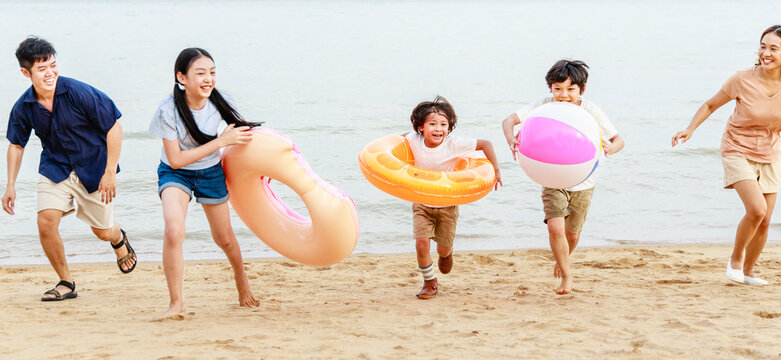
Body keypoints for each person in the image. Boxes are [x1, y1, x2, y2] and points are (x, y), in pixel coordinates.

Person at [2, 36, 136, 302]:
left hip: (93, 167)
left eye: (52, 65)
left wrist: (110, 172)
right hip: (55, 168)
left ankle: (118, 238)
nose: (50, 72)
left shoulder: (79, 92)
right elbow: (16, 145)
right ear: (26, 73)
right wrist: (10, 185)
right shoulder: (24, 106)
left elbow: (113, 127)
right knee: (45, 222)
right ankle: (66, 282)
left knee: (102, 231)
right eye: (42, 69)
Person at [149, 47, 262, 320]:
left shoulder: (221, 102)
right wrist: (221, 141)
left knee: (224, 239)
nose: (208, 79)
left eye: (212, 72)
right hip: (176, 174)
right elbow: (175, 160)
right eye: (200, 73)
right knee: (174, 231)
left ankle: (241, 279)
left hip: (210, 172)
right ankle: (176, 303)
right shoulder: (168, 110)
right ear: (182, 77)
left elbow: (247, 136)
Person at [501, 59, 625, 295]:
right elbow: (508, 121)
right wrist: (511, 139)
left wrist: (611, 148)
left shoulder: (590, 110)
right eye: (558, 89)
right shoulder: (544, 105)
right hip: (551, 177)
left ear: (582, 89)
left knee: (573, 234)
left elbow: (619, 140)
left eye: (570, 89)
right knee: (556, 228)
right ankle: (567, 277)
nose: (563, 95)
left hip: (584, 180)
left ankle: (563, 258)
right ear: (550, 89)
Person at [672, 25, 781, 286]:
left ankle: (749, 271)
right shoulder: (742, 78)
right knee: (756, 209)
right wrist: (690, 129)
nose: (765, 53)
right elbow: (711, 104)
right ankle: (735, 260)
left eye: (773, 48)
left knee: (765, 221)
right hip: (737, 147)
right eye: (763, 46)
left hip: (769, 152)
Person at [408, 96, 502, 299]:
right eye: (432, 124)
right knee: (421, 243)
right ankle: (429, 283)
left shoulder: (454, 144)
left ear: (449, 127)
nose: (438, 128)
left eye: (443, 124)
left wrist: (495, 169)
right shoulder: (412, 140)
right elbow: (391, 147)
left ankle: (446, 254)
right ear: (420, 127)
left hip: (447, 203)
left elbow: (486, 144)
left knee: (443, 248)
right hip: (422, 202)